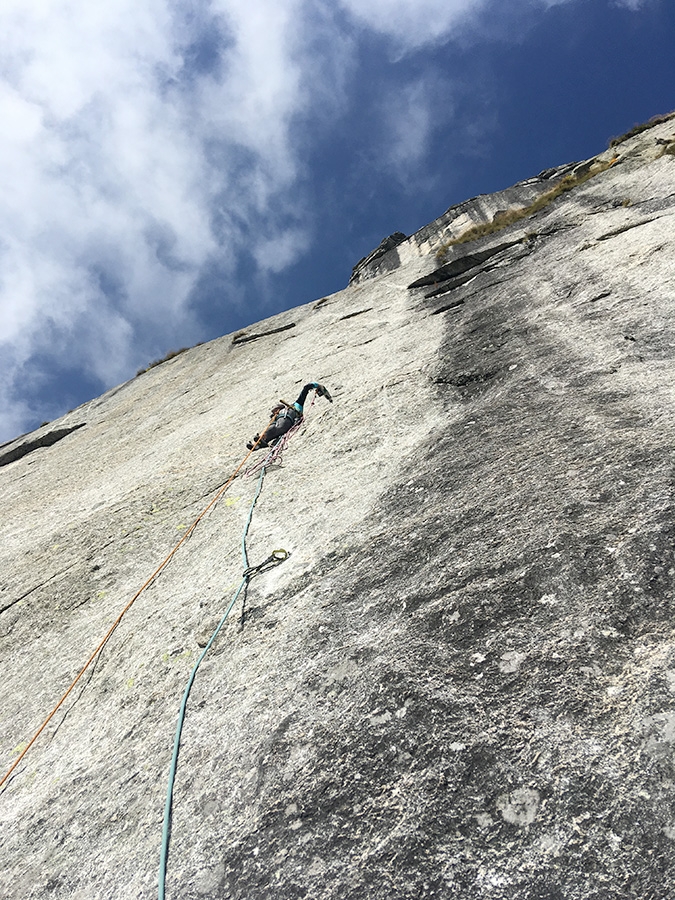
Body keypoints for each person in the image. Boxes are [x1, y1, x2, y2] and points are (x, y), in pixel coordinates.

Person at [246, 382, 332, 450]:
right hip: (283, 421)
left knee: (276, 429)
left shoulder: (295, 405)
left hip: (289, 419)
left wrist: (318, 386)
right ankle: (258, 443)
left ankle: (259, 443)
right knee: (272, 429)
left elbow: (307, 387)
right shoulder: (277, 414)